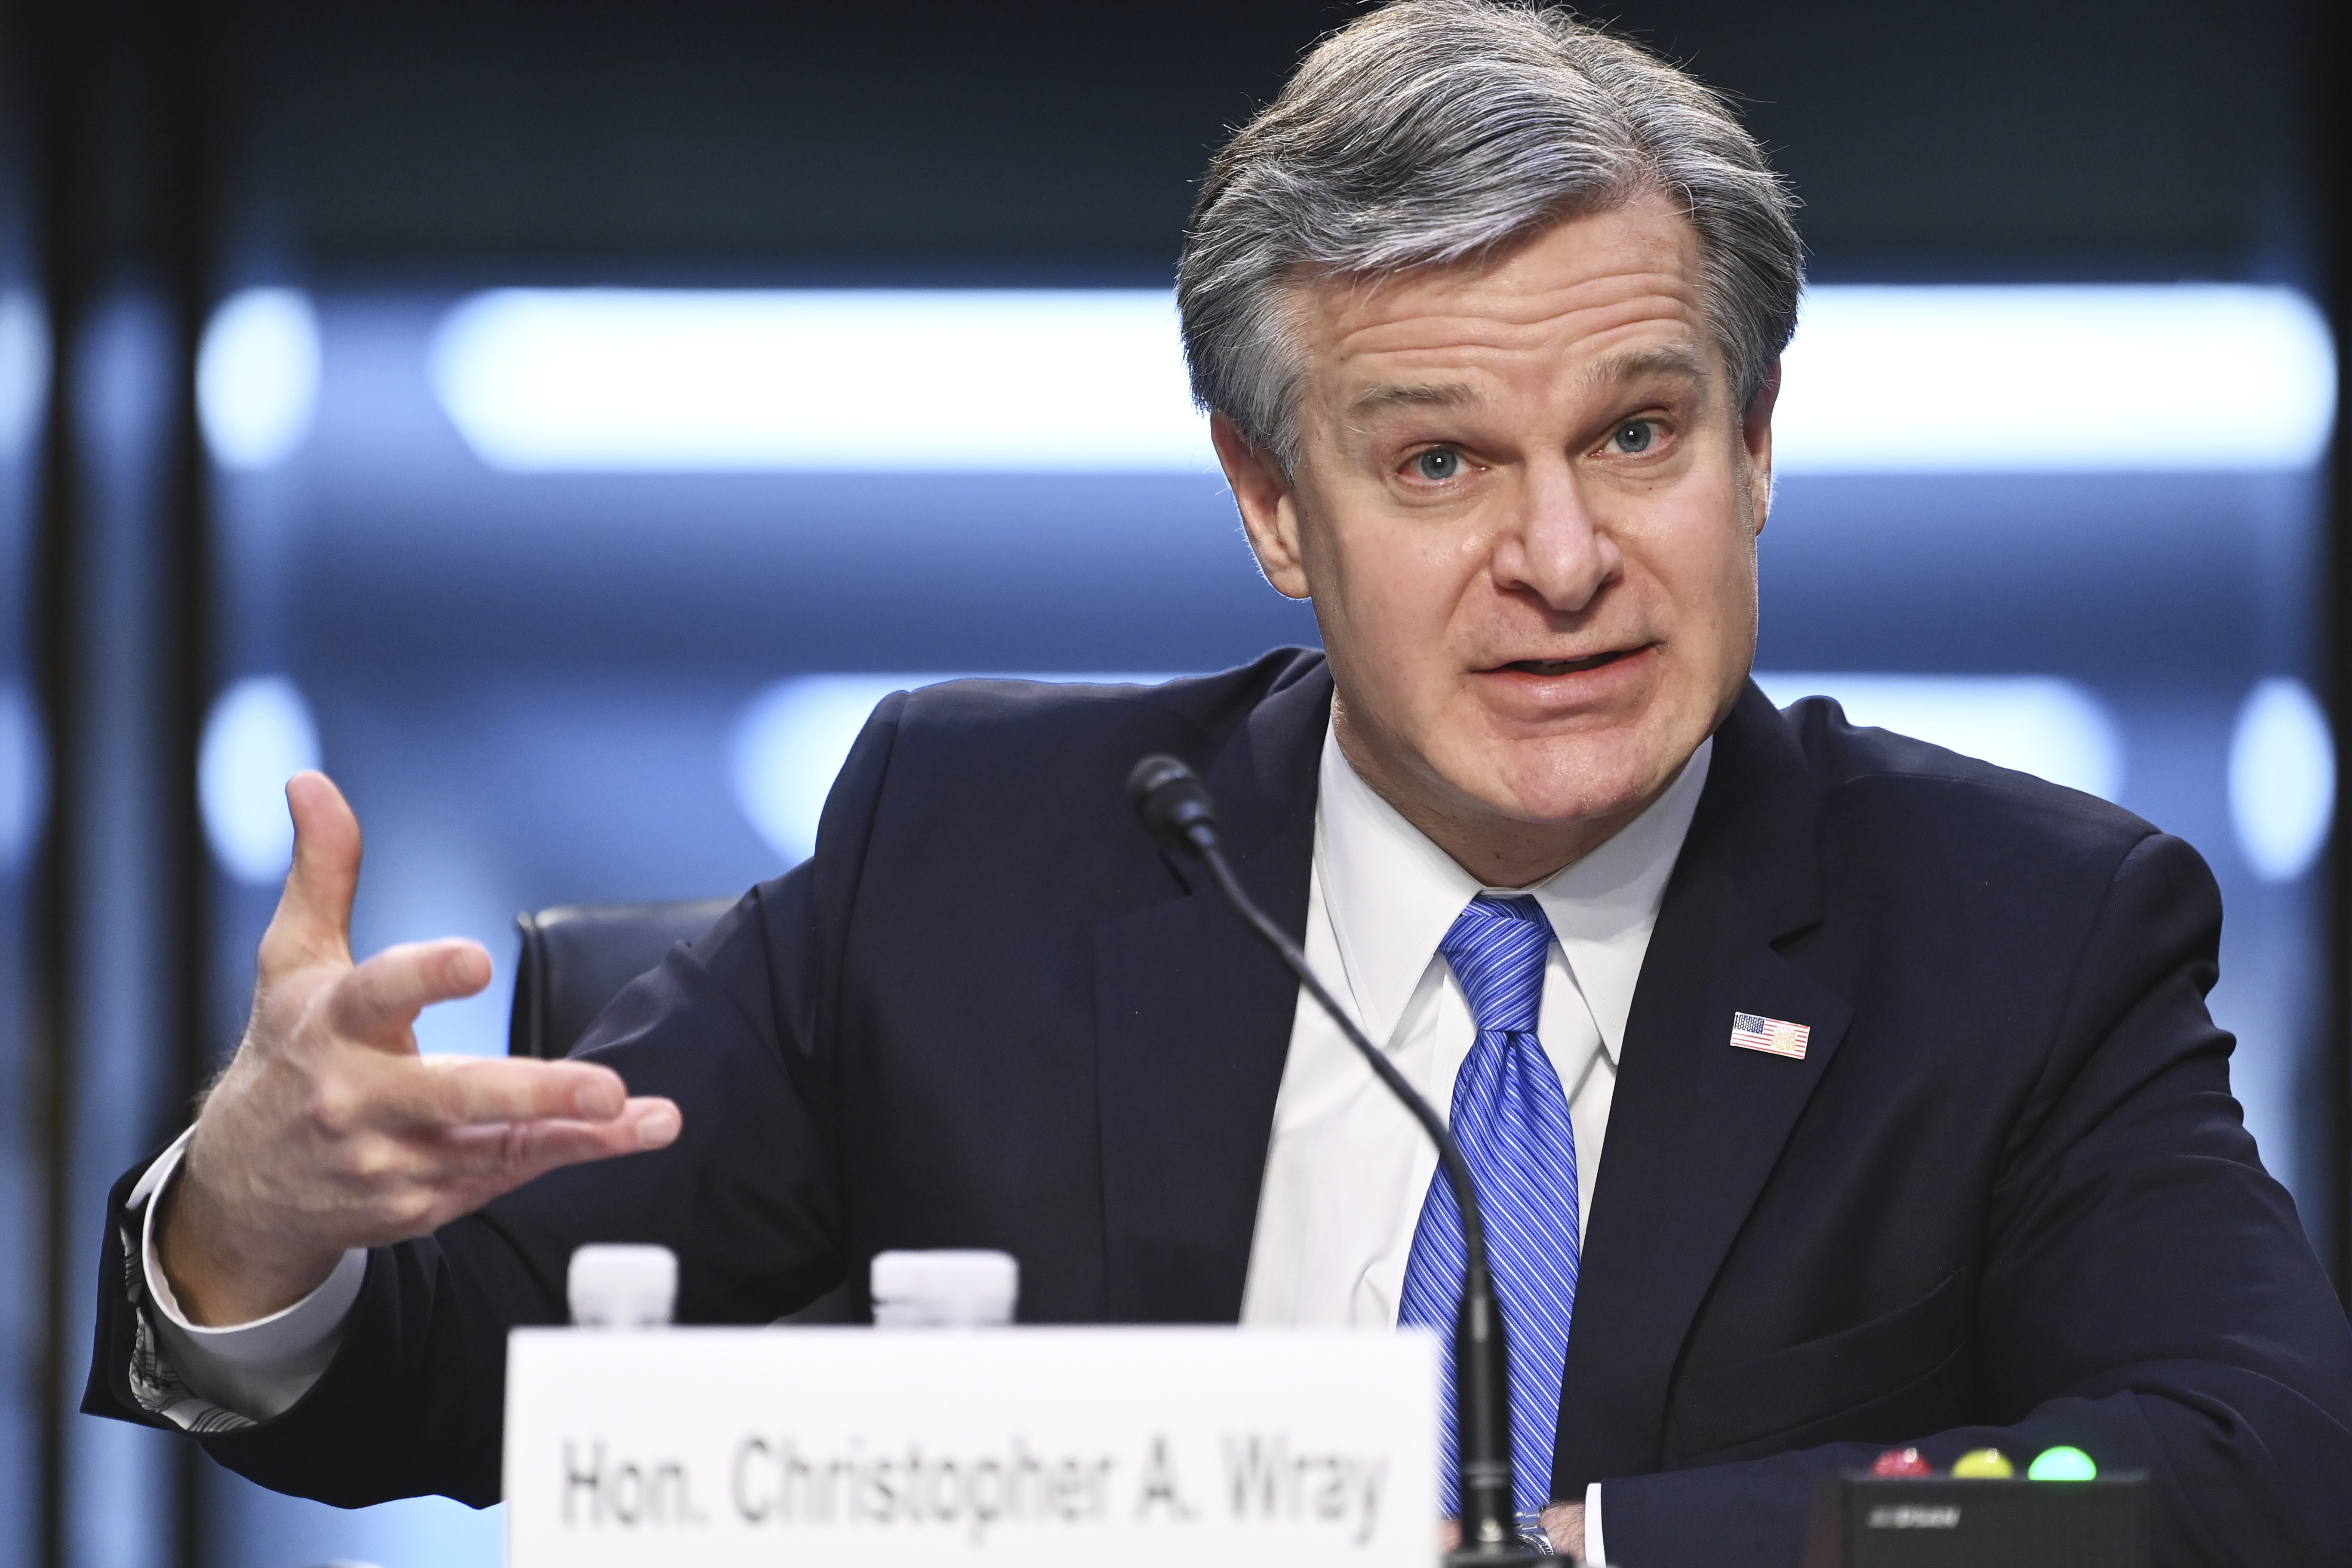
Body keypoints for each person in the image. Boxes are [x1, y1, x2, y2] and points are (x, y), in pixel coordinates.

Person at [86, 3, 2352, 1562]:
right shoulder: (971, 859)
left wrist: (1591, 1549)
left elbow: (2241, 1480)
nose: (1560, 559)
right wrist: (255, 1220)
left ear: (1756, 451)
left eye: (1637, 437)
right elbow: (443, 1379)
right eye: (1440, 460)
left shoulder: (2021, 933)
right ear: (1277, 507)